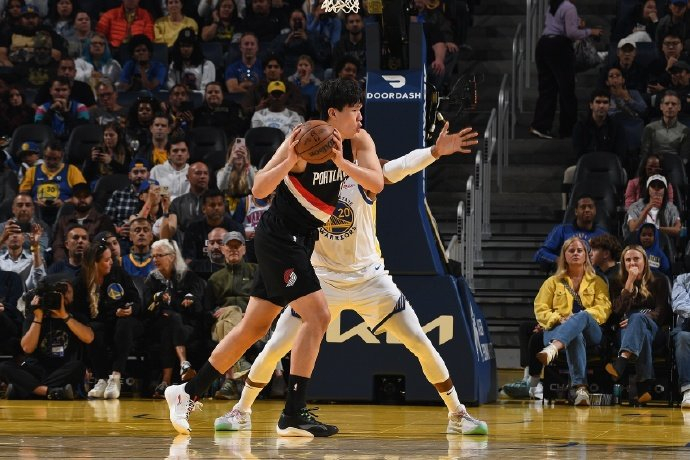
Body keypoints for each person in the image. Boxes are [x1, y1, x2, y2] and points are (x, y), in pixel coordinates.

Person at [213, 123, 489, 434]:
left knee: (419, 342)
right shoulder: (305, 176)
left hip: (369, 279)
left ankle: (457, 414)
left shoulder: (364, 176)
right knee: (275, 346)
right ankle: (241, 411)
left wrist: (435, 151)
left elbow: (400, 167)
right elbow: (266, 188)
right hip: (320, 279)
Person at [164, 77, 383, 437]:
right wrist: (290, 161)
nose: (360, 116)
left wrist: (341, 162)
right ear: (333, 112)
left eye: (361, 109)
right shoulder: (301, 138)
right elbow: (259, 188)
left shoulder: (359, 140)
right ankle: (294, 413)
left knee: (253, 328)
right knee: (319, 315)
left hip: (302, 240)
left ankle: (187, 392)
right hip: (279, 238)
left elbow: (376, 183)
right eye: (354, 110)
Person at [534, 236, 612, 406]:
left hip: (591, 331)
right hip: (557, 328)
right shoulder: (552, 282)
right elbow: (541, 309)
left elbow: (604, 309)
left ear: (585, 255)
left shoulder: (597, 281)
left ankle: (553, 348)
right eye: (571, 251)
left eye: (579, 250)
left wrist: (576, 318)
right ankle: (581, 389)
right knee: (575, 336)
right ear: (564, 256)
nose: (575, 253)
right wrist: (559, 319)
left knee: (582, 316)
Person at [0, 275, 94, 400]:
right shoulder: (34, 317)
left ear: (73, 296)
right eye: (60, 292)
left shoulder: (77, 317)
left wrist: (64, 316)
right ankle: (51, 392)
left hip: (62, 370)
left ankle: (28, 390)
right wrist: (38, 318)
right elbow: (27, 348)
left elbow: (89, 338)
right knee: (4, 366)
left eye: (68, 292)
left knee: (78, 367)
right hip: (35, 370)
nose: (64, 296)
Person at [71, 241, 143, 400]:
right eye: (106, 260)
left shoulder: (118, 273)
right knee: (92, 328)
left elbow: (136, 300)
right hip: (102, 323)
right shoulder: (81, 281)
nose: (111, 262)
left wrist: (130, 309)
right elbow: (79, 313)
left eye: (111, 258)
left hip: (127, 322)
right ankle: (101, 379)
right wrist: (111, 314)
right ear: (94, 263)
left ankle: (115, 378)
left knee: (124, 323)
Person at [605, 245, 671, 402]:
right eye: (628, 260)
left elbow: (661, 311)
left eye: (636, 259)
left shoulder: (660, 279)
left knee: (638, 320)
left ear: (645, 261)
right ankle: (644, 388)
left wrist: (639, 318)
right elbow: (617, 311)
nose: (632, 263)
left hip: (655, 329)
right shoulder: (616, 281)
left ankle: (621, 361)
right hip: (625, 330)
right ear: (623, 263)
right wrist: (629, 282)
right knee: (642, 335)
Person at [529, 0, 603, 139]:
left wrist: (577, 23)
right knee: (567, 90)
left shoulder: (553, 5)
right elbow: (571, 33)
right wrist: (591, 31)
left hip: (543, 45)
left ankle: (540, 126)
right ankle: (568, 129)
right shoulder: (569, 7)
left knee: (547, 89)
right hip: (559, 47)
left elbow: (560, 24)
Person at [144, 239, 206, 398]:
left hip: (185, 326)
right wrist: (158, 301)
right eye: (153, 256)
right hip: (158, 325)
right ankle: (183, 363)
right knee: (171, 320)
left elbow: (198, 306)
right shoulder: (152, 279)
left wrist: (190, 301)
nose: (155, 259)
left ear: (172, 256)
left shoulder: (188, 277)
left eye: (159, 255)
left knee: (172, 323)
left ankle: (165, 381)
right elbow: (146, 308)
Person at [205, 230, 258, 399]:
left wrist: (248, 315)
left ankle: (230, 381)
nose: (234, 250)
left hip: (251, 321)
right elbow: (208, 308)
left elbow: (267, 299)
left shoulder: (256, 271)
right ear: (223, 249)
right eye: (230, 246)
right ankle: (239, 365)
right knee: (231, 313)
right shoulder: (215, 278)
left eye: (237, 246)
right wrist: (226, 312)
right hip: (222, 321)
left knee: (226, 323)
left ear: (244, 249)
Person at [18, 141, 87, 225]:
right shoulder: (32, 171)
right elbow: (23, 195)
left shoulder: (72, 170)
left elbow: (83, 195)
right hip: (37, 212)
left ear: (62, 157)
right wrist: (34, 202)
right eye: (48, 158)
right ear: (43, 156)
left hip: (64, 213)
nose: (51, 162)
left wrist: (65, 202)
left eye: (55, 159)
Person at [534, 195, 608, 270]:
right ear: (576, 211)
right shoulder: (562, 230)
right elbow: (540, 254)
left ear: (595, 211)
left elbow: (611, 260)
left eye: (590, 207)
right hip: (566, 274)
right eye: (583, 207)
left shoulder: (603, 235)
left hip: (594, 275)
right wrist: (560, 261)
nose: (587, 210)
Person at [51, 183, 116, 263]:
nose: (82, 200)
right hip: (67, 263)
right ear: (71, 199)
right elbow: (58, 245)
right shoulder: (63, 221)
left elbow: (105, 246)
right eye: (78, 197)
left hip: (94, 263)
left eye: (85, 196)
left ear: (91, 198)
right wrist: (64, 264)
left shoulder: (103, 220)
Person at [182, 189, 244, 264]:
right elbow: (189, 261)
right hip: (201, 271)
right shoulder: (193, 229)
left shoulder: (236, 228)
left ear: (224, 207)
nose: (216, 208)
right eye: (212, 205)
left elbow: (240, 259)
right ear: (203, 209)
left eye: (220, 204)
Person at [104, 158, 150, 244]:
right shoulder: (118, 194)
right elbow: (106, 222)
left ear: (148, 175)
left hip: (148, 240)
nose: (139, 175)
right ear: (129, 175)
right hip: (122, 240)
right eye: (135, 172)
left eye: (142, 172)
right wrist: (117, 230)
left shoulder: (154, 196)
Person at [33, 76, 90, 142]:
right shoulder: (42, 108)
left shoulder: (81, 107)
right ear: (50, 91)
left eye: (64, 90)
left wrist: (65, 113)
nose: (60, 94)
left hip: (74, 144)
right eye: (57, 90)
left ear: (69, 91)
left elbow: (82, 131)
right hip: (49, 144)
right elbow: (39, 130)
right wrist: (50, 111)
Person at [625, 174, 681, 239]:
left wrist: (656, 229)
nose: (656, 189)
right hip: (640, 242)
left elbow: (678, 229)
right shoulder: (635, 207)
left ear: (664, 190)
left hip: (664, 242)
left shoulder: (671, 208)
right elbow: (632, 228)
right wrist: (647, 209)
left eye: (660, 186)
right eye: (653, 186)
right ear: (648, 189)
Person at [640, 90, 690, 160]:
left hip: (676, 165)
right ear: (661, 107)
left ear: (679, 107)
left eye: (673, 104)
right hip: (653, 165)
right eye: (666, 103)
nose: (670, 106)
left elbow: (684, 158)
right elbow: (644, 154)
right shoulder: (650, 128)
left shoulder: (685, 130)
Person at [82, 121, 133, 186]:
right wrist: (90, 160)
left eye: (111, 135)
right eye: (105, 135)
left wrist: (111, 162)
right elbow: (85, 176)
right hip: (99, 184)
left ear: (119, 136)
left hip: (118, 183)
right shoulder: (97, 150)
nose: (108, 138)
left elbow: (127, 173)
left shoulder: (126, 152)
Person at [166, 27, 214, 93]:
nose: (186, 49)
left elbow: (207, 91)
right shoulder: (174, 65)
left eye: (189, 46)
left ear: (195, 47)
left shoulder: (207, 65)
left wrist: (190, 93)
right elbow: (171, 87)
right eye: (183, 46)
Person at [0, 221, 45, 290]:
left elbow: (40, 282)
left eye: (18, 233)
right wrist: (1, 240)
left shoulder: (34, 260)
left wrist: (35, 246)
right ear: (5, 239)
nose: (14, 236)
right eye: (11, 233)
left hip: (26, 295)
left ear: (23, 238)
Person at [169, 162, 210, 236]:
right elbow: (171, 230)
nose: (202, 176)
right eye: (198, 173)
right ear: (188, 177)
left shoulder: (218, 201)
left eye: (205, 173)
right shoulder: (177, 203)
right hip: (184, 241)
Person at [217, 139, 256, 215]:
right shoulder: (223, 171)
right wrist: (230, 162)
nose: (239, 152)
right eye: (235, 150)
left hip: (247, 208)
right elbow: (221, 187)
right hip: (228, 208)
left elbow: (254, 187)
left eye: (242, 150)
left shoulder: (252, 170)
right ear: (230, 154)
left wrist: (247, 162)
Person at [149, 134, 191, 201]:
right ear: (168, 155)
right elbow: (151, 192)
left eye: (183, 150)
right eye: (175, 151)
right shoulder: (156, 170)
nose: (179, 154)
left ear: (188, 154)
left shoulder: (193, 172)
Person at [671, 272, 690, 408]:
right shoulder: (682, 279)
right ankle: (688, 390)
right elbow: (679, 304)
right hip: (687, 325)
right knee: (683, 337)